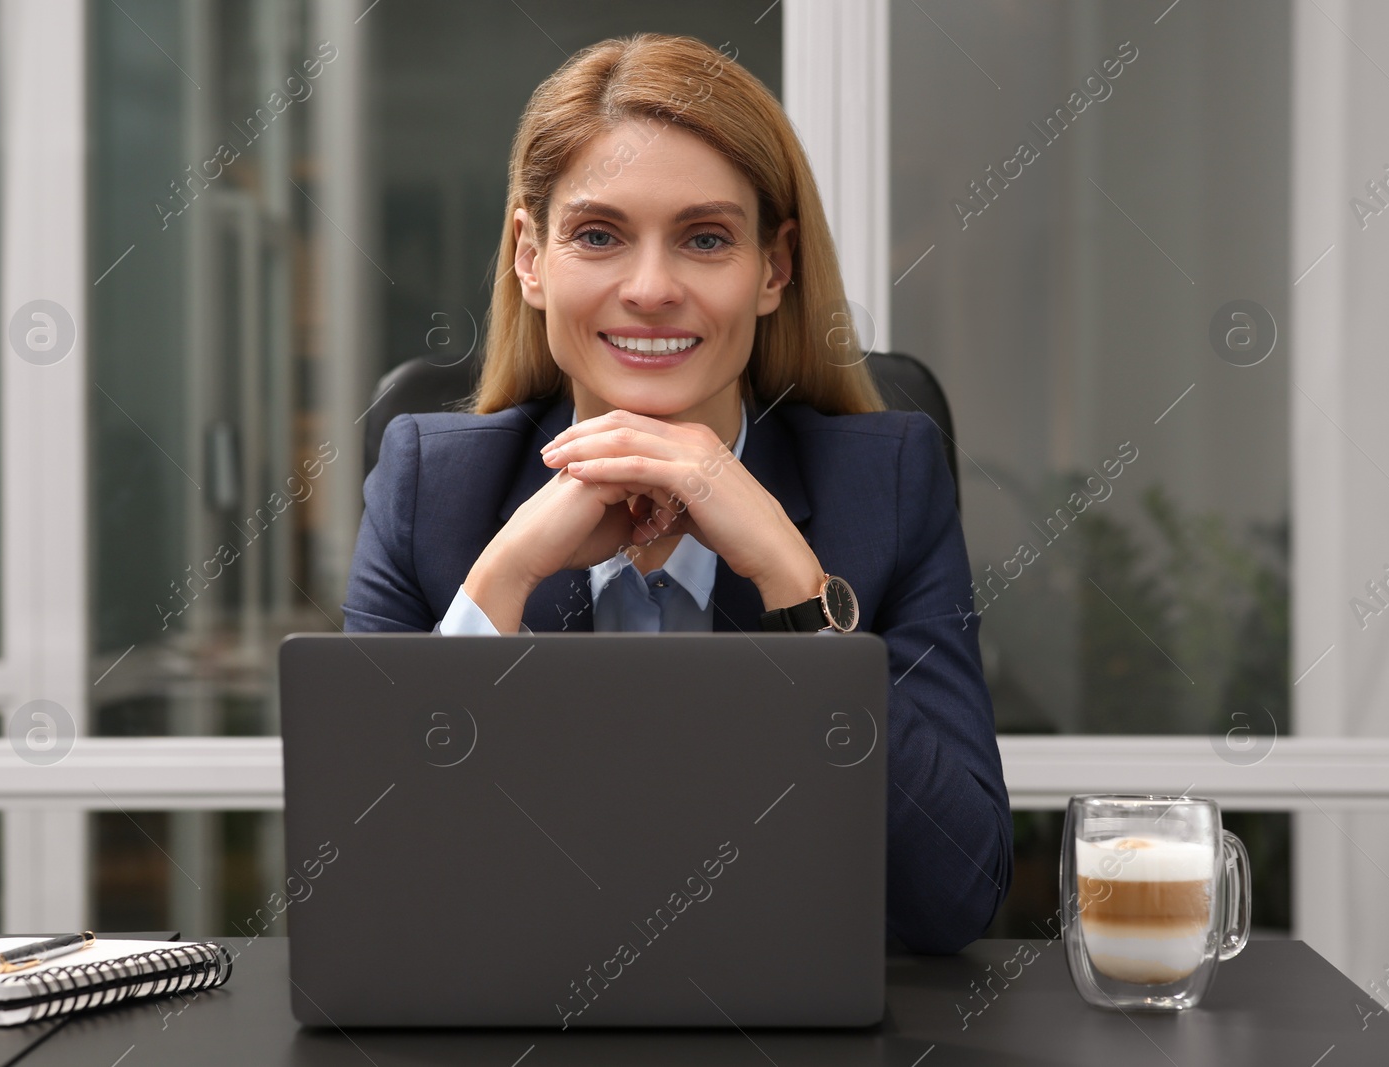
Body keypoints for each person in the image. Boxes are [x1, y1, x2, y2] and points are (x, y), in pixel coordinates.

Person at [342, 32, 1011, 954]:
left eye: (704, 238)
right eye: (598, 235)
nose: (651, 289)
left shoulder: (887, 483)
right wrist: (503, 579)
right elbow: (365, 894)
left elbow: (954, 896)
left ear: (774, 268)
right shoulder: (432, 488)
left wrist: (795, 588)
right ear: (529, 256)